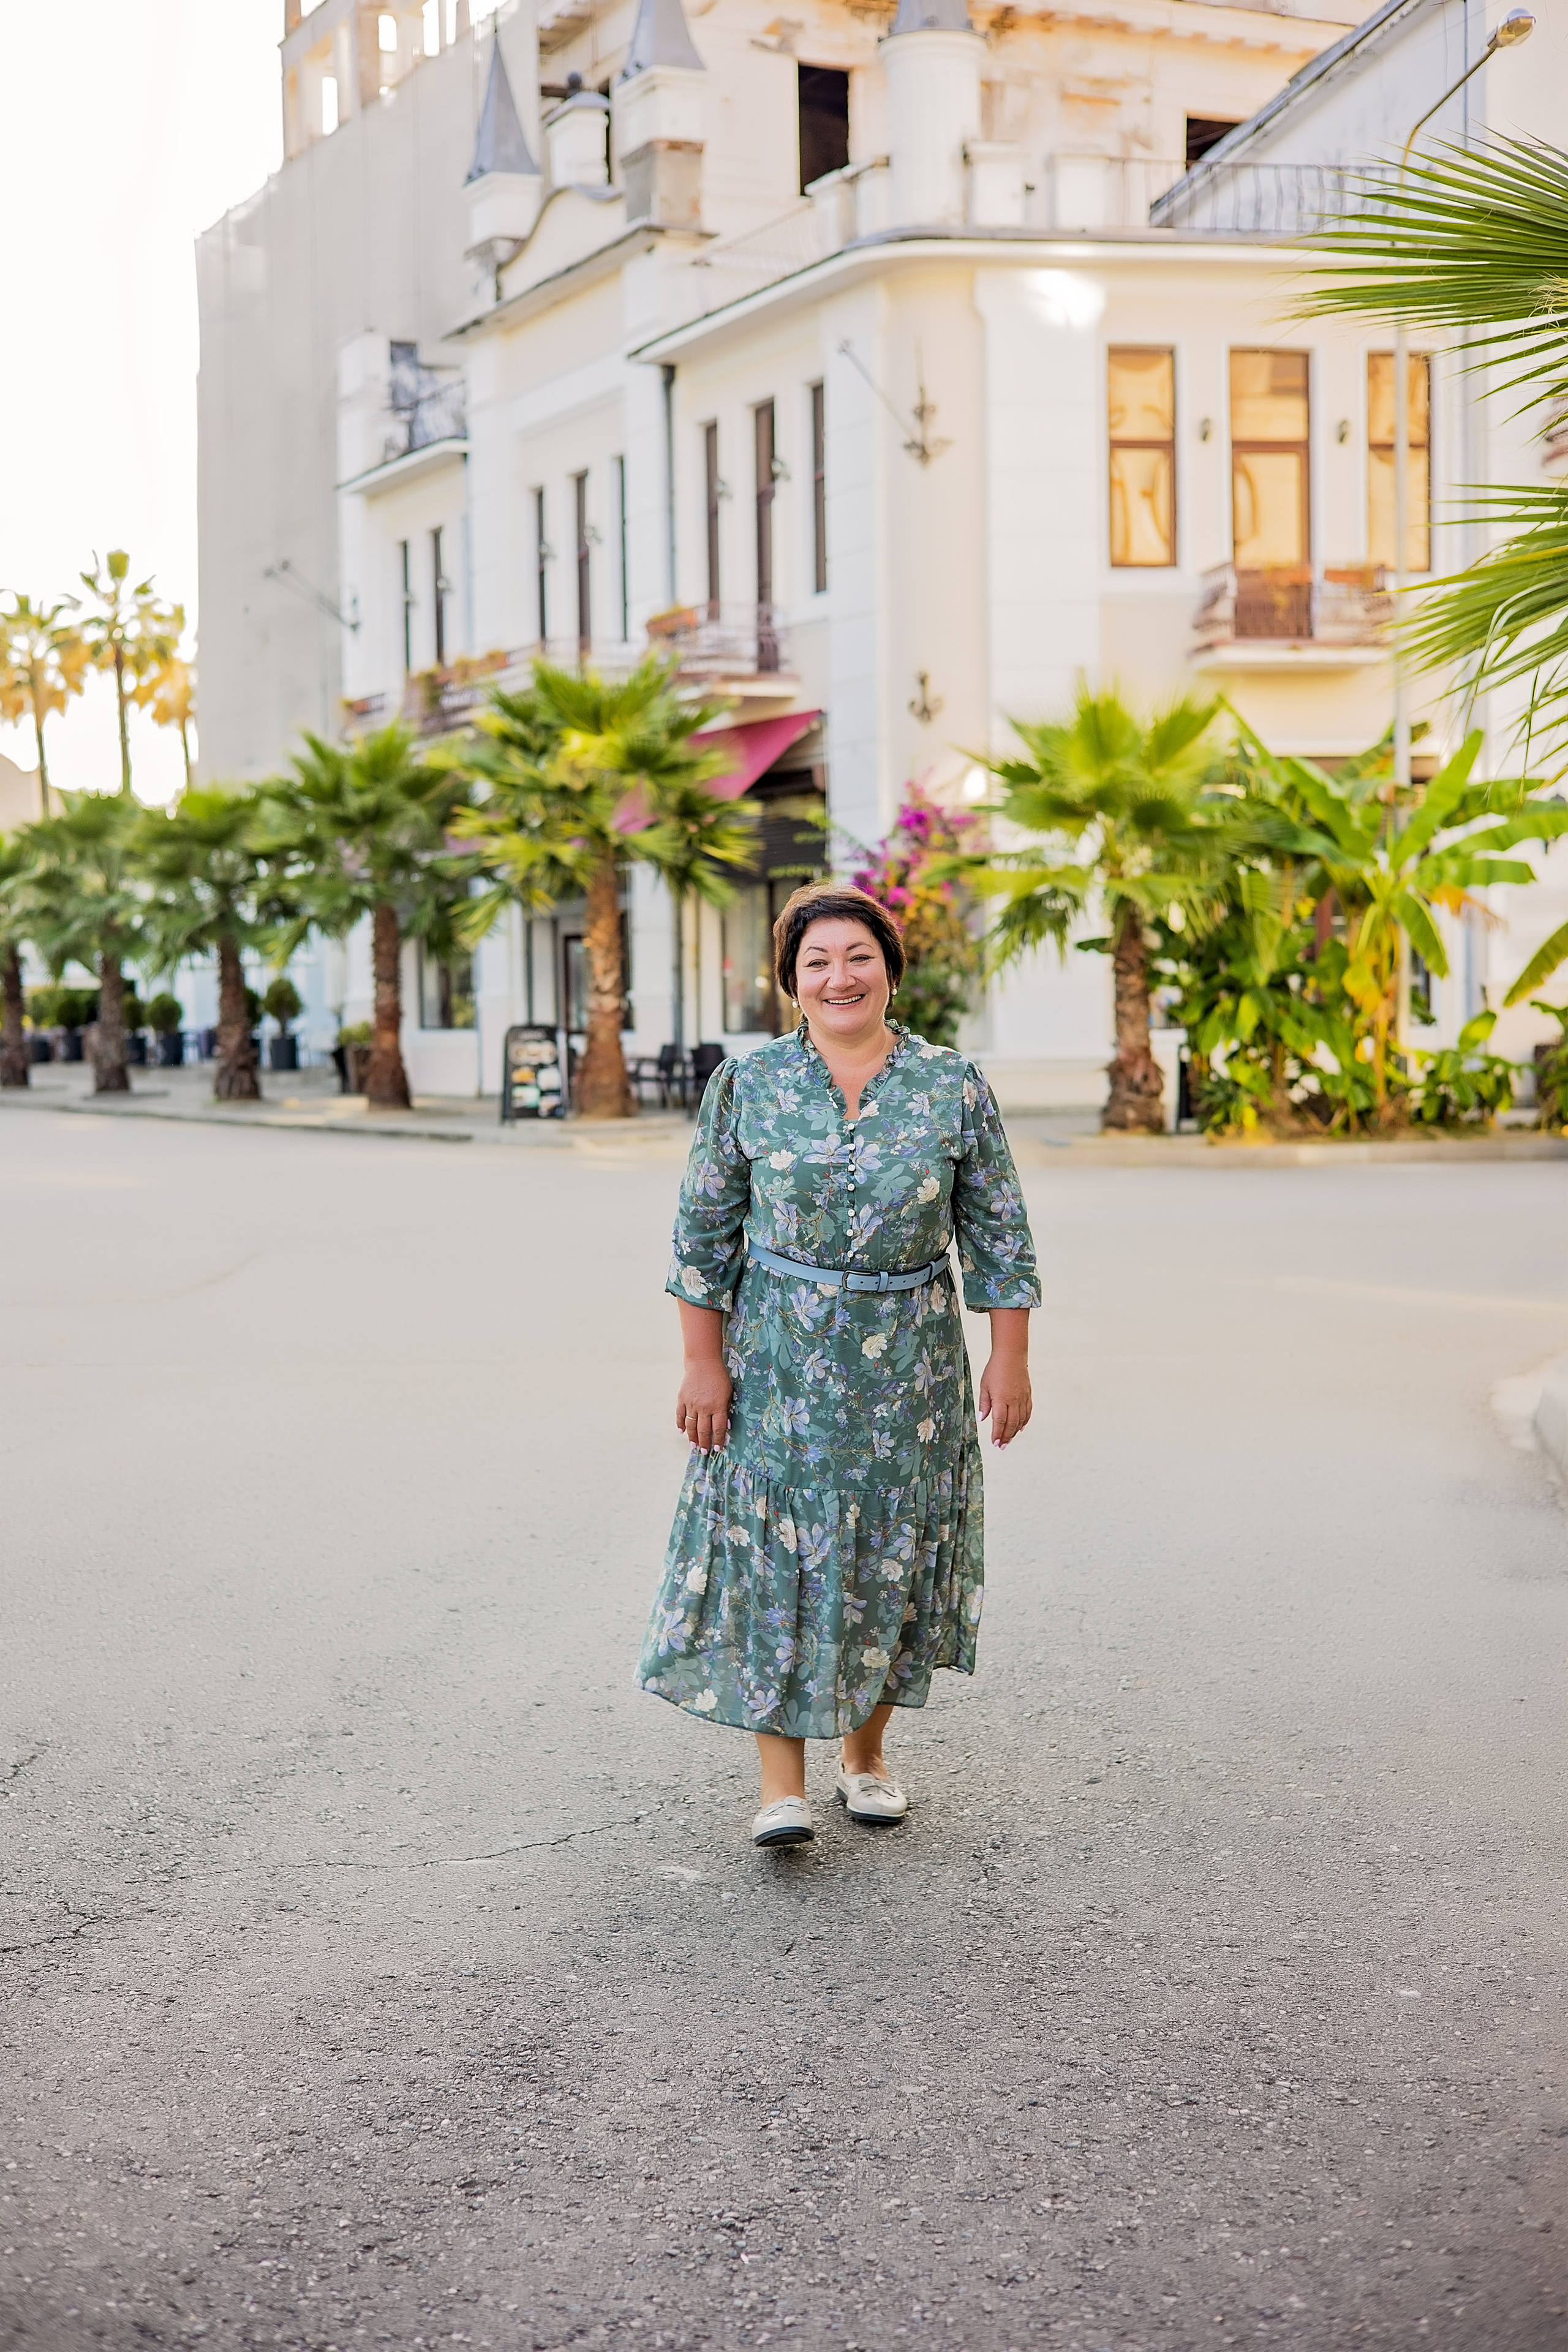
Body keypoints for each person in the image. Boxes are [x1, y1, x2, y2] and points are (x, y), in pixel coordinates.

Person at [637, 880, 1039, 1848]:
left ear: (891, 971)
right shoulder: (750, 1085)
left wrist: (1010, 1358)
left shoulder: (953, 1085)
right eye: (816, 962)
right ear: (792, 983)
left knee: (883, 1558)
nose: (839, 976)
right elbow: (703, 1236)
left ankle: (867, 1760)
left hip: (913, 1365)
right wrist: (703, 1364)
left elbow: (999, 1232)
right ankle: (781, 1785)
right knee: (780, 1552)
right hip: (776, 1357)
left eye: (858, 956)